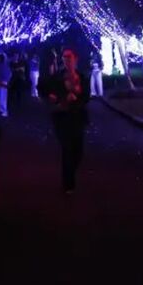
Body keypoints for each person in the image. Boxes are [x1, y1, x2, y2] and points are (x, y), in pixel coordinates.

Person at [38, 47, 87, 194]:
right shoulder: (57, 77)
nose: (66, 60)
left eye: (69, 57)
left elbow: (87, 95)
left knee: (78, 150)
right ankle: (68, 184)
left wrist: (78, 97)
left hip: (78, 117)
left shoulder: (82, 77)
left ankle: (70, 173)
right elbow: (43, 87)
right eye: (64, 58)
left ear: (75, 59)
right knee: (67, 148)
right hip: (62, 117)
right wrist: (53, 97)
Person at [0, 52, 12, 118]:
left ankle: (4, 111)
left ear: (0, 58)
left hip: (3, 82)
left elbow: (9, 74)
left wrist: (5, 81)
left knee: (2, 98)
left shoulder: (4, 66)